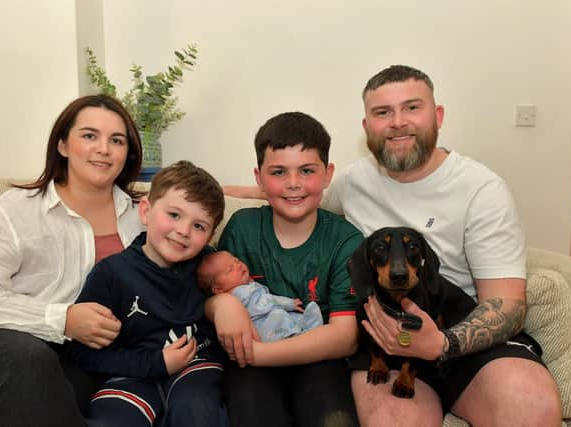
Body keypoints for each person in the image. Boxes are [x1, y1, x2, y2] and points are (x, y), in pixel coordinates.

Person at [321, 65, 562, 426]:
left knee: (530, 404)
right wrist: (226, 192)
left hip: (466, 337)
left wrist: (442, 344)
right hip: (386, 340)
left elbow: (509, 303)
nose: (398, 122)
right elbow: (298, 198)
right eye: (383, 112)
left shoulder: (481, 188)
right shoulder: (353, 182)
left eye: (412, 108)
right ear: (366, 126)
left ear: (438, 116)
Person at [0, 94, 145, 427]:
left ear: (127, 153)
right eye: (89, 135)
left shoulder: (143, 217)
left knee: (75, 386)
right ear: (62, 145)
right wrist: (62, 318)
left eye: (116, 140)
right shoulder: (14, 210)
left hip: (77, 357)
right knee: (29, 361)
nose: (104, 148)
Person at [206, 111, 363, 427]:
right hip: (251, 367)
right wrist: (220, 304)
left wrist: (256, 354)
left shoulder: (345, 239)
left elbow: (345, 338)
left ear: (328, 174)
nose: (293, 184)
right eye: (278, 172)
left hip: (317, 359)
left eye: (307, 170)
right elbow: (209, 288)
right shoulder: (242, 228)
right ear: (259, 177)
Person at [65, 160, 229, 427]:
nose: (183, 231)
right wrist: (156, 363)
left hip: (197, 366)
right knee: (114, 419)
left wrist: (228, 304)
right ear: (145, 212)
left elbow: (251, 297)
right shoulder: (111, 274)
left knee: (198, 411)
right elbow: (83, 353)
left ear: (211, 235)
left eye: (199, 226)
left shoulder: (209, 266)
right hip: (132, 372)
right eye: (174, 215)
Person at [197, 250, 323, 342]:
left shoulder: (245, 287)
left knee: (286, 317)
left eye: (237, 260)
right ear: (218, 289)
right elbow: (265, 302)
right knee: (279, 316)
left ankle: (305, 330)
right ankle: (306, 332)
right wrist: (288, 303)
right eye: (230, 269)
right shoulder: (239, 294)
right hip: (265, 330)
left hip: (266, 327)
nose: (238, 265)